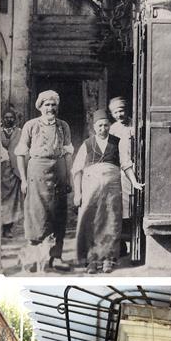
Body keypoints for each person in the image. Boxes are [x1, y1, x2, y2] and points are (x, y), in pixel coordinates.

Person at [72, 109, 143, 274]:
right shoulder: (87, 144)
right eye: (99, 125)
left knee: (111, 221)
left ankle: (108, 259)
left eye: (105, 125)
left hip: (112, 188)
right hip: (91, 189)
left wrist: (134, 182)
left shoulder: (118, 142)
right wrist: (78, 193)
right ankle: (91, 260)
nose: (103, 128)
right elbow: (76, 170)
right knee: (91, 222)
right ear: (94, 126)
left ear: (110, 126)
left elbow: (126, 164)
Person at [15, 90, 73, 271]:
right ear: (40, 106)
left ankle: (56, 257)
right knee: (37, 215)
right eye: (47, 105)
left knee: (58, 214)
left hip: (59, 172)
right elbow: (20, 154)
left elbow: (68, 153)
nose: (50, 108)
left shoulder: (63, 126)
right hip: (36, 173)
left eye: (53, 104)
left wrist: (68, 176)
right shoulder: (30, 125)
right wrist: (24, 180)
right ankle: (33, 258)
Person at [108, 97, 135, 254]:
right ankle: (123, 244)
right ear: (112, 114)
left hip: (136, 168)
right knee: (123, 207)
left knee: (136, 207)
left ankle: (136, 242)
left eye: (122, 110)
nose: (119, 114)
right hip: (122, 172)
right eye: (116, 112)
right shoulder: (113, 129)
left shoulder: (135, 124)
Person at [0, 106, 23, 238]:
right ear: (2, 119)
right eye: (6, 117)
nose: (9, 120)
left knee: (12, 201)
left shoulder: (20, 132)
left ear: (15, 119)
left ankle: (8, 228)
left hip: (14, 172)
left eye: (11, 118)